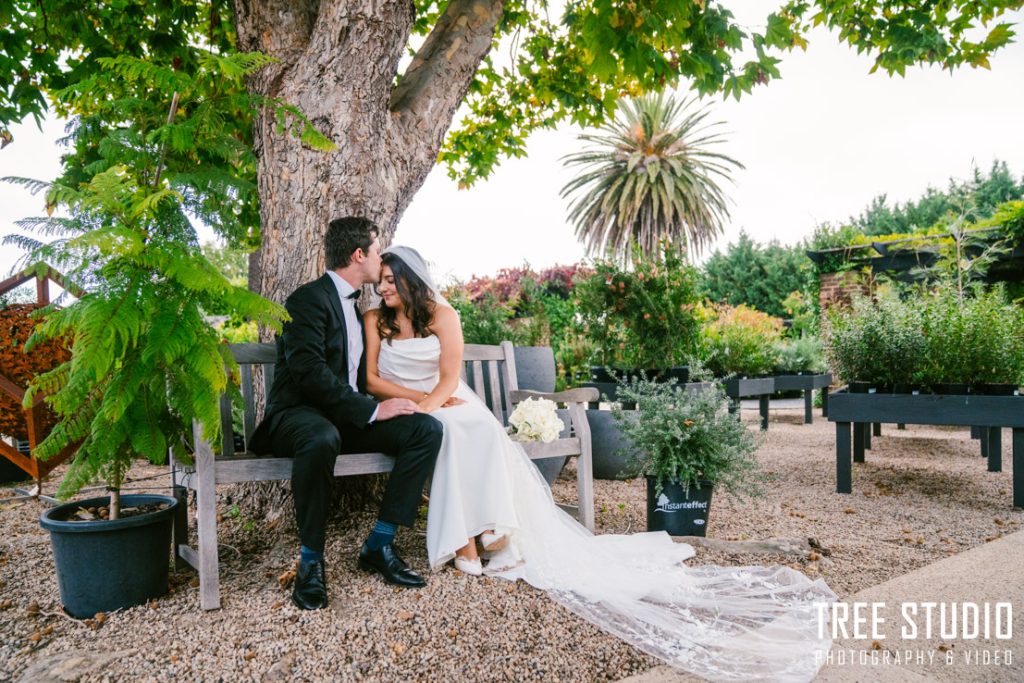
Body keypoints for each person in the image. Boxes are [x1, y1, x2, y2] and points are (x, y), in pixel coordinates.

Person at [363, 245, 838, 682]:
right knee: (449, 432)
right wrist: (417, 403)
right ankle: (468, 538)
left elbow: (450, 379)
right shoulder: (376, 320)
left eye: (389, 280)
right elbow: (370, 381)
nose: (382, 288)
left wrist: (431, 403)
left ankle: (489, 526)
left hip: (448, 399)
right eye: (379, 280)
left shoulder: (442, 315)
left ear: (410, 279)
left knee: (477, 427)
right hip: (414, 406)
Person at [248, 217, 444, 611]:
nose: (381, 258)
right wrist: (371, 409)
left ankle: (379, 544)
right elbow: (308, 372)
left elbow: (363, 374)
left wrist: (396, 400)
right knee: (321, 437)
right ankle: (310, 562)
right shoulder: (306, 300)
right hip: (298, 416)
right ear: (358, 255)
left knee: (425, 429)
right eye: (377, 251)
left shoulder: (359, 312)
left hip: (345, 419)